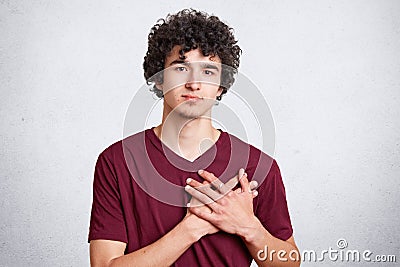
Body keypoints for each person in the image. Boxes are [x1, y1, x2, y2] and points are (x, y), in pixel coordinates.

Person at [88, 9, 300, 267]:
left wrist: (248, 227)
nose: (193, 83)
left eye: (208, 71)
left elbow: (290, 263)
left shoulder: (257, 165)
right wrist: (192, 228)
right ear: (159, 79)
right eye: (180, 68)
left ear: (221, 84)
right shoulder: (117, 162)